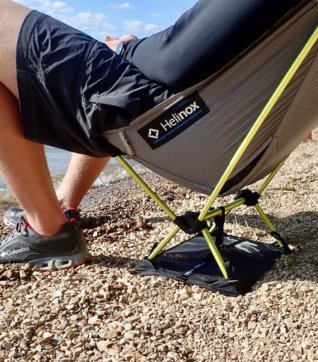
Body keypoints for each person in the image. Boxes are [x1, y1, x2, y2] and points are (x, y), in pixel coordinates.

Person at [0, 0, 302, 270]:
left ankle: (47, 227)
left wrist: (125, 49)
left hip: (164, 119)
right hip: (241, 142)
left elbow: (175, 58)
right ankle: (63, 202)